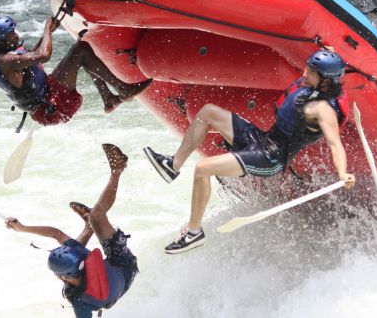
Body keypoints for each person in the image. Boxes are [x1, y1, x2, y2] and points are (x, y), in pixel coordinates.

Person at [143, 49, 357, 254]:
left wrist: (342, 173)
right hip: (262, 140)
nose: (304, 73)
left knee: (202, 168)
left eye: (311, 72)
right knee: (208, 112)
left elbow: (334, 144)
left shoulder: (323, 110)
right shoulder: (322, 85)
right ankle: (173, 165)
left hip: (270, 158)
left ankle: (193, 232)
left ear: (326, 80)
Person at [5, 143, 138, 317]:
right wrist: (21, 228)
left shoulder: (79, 293)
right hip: (125, 264)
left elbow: (55, 234)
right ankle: (91, 221)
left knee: (95, 216)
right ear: (66, 277)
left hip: (113, 275)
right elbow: (55, 233)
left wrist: (22, 228)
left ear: (63, 278)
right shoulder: (81, 272)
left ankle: (117, 170)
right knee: (96, 216)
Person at [0, 14, 151, 126]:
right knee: (80, 51)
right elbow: (43, 55)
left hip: (48, 98)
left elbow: (33, 57)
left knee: (81, 52)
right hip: (53, 107)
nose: (17, 35)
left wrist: (50, 32)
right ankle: (123, 90)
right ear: (1, 41)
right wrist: (46, 29)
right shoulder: (6, 61)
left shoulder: (6, 58)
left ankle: (109, 98)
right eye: (12, 33)